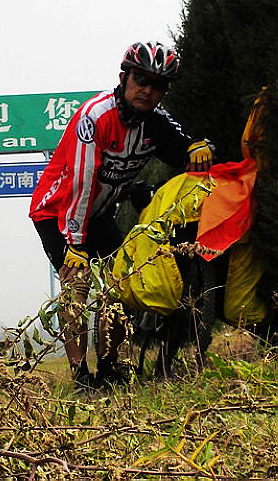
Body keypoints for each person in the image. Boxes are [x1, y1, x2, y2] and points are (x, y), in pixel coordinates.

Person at [29, 41, 214, 390]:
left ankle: (110, 369)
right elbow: (82, 181)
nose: (148, 90)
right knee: (76, 286)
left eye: (158, 85)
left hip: (98, 212)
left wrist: (197, 147)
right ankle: (81, 377)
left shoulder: (156, 123)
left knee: (120, 285)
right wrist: (76, 244)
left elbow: (183, 146)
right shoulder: (95, 116)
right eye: (141, 79)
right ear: (123, 78)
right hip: (58, 211)